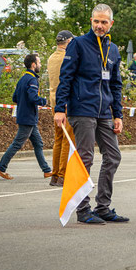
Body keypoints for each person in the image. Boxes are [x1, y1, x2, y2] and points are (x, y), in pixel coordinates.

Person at [54, 3, 129, 224]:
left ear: (111, 24)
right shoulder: (78, 44)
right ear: (91, 21)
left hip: (105, 112)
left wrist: (118, 115)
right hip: (82, 110)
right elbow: (65, 78)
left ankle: (103, 206)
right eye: (96, 21)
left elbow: (116, 84)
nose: (99, 25)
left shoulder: (113, 50)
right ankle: (83, 209)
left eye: (104, 22)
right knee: (85, 157)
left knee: (113, 156)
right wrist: (60, 109)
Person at [0, 54, 52, 180]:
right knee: (17, 144)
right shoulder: (32, 80)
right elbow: (33, 97)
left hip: (26, 116)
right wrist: (43, 101)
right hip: (28, 117)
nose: (40, 65)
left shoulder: (22, 79)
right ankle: (1, 168)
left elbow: (15, 97)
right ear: (33, 64)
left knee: (38, 143)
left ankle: (46, 170)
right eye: (39, 62)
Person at [47, 30, 76, 187]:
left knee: (58, 139)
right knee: (68, 139)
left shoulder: (52, 58)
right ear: (69, 42)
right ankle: (63, 175)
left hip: (54, 102)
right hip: (65, 103)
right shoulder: (67, 58)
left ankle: (54, 174)